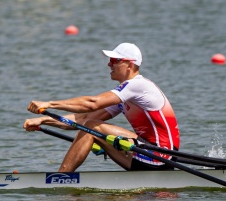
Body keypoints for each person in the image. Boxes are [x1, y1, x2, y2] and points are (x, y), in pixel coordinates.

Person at [23, 42, 180, 172]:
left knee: (92, 127)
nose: (109, 64)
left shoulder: (137, 85)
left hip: (161, 157)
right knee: (89, 125)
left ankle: (61, 177)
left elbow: (93, 103)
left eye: (114, 61)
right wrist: (43, 120)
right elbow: (83, 118)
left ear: (129, 65)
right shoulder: (126, 95)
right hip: (147, 152)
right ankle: (63, 177)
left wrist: (49, 104)